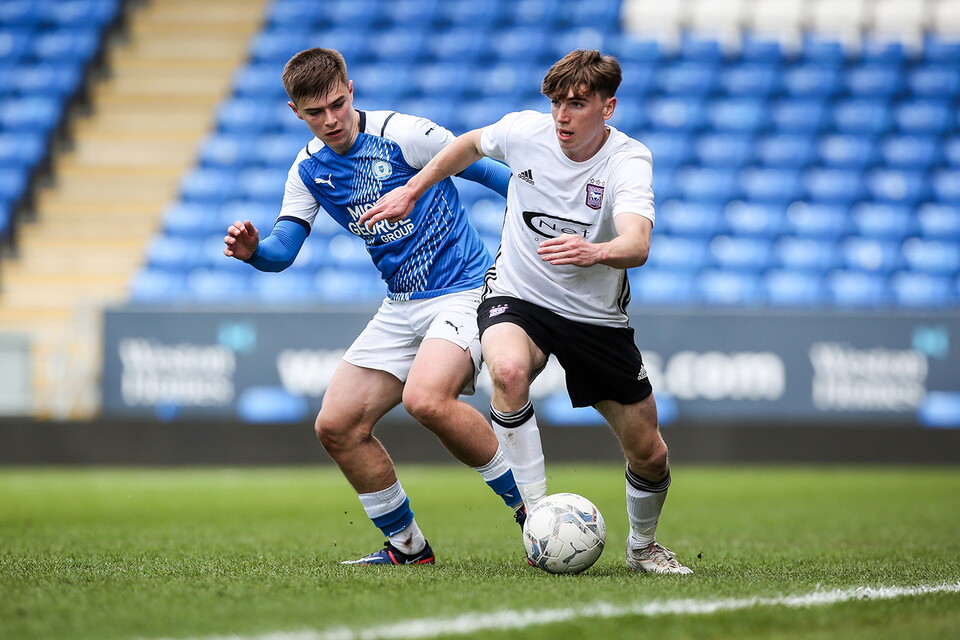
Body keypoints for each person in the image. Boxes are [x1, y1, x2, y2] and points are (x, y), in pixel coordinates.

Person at [361, 49, 692, 574]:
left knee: (649, 452)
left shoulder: (628, 160)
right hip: (520, 295)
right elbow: (467, 145)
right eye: (557, 102)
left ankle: (643, 547)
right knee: (509, 370)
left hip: (595, 317)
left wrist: (597, 251)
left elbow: (638, 242)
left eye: (577, 103)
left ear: (608, 107)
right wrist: (411, 190)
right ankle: (538, 516)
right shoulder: (524, 132)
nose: (562, 114)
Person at [223, 48, 523, 565]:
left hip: (466, 287)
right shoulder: (308, 170)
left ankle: (531, 512)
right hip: (401, 303)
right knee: (335, 425)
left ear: (351, 89)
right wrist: (254, 254)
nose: (331, 119)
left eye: (337, 104)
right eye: (315, 112)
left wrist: (539, 228)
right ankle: (408, 548)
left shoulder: (404, 133)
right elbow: (282, 251)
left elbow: (493, 174)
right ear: (296, 112)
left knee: (427, 400)